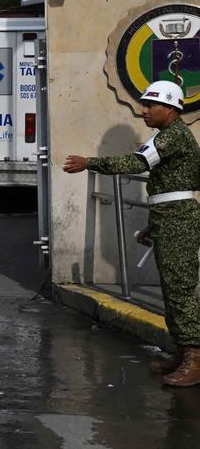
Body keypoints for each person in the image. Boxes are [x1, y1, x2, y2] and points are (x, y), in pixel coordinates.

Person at [63, 80, 200, 387]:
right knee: (172, 290)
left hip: (178, 220)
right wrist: (153, 226)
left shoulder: (172, 136)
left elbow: (134, 162)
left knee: (179, 291)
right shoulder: (167, 136)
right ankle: (182, 352)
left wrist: (90, 163)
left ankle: (195, 358)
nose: (143, 111)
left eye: (150, 105)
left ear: (170, 107)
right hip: (170, 218)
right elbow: (170, 188)